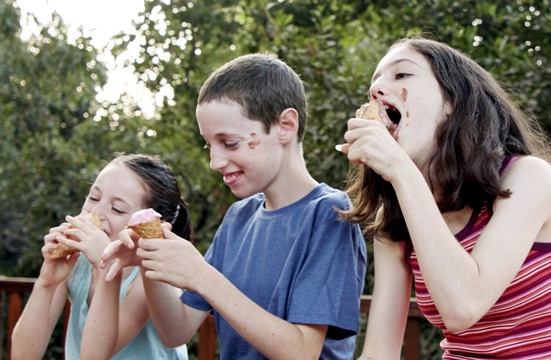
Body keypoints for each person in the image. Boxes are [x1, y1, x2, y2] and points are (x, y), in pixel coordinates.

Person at [101, 53, 367, 359]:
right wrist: (150, 259)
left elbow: (302, 350)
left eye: (229, 143)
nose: (215, 162)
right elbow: (176, 331)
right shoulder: (238, 218)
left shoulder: (330, 215)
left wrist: (202, 276)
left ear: (285, 126)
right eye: (209, 144)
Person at [336, 38, 551, 359]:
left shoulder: (529, 178)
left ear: (452, 101)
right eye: (374, 82)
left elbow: (463, 308)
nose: (377, 89)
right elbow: (380, 352)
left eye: (402, 75)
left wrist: (400, 169)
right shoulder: (395, 217)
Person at [11, 154, 191, 360]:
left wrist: (105, 267)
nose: (96, 212)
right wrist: (47, 281)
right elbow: (23, 356)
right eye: (93, 197)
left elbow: (95, 356)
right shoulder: (77, 260)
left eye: (117, 208)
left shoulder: (151, 275)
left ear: (147, 225)